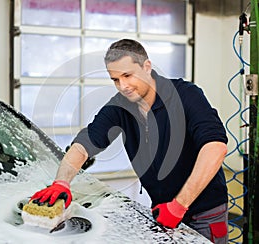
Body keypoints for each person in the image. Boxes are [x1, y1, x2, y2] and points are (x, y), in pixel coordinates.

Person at [31, 39, 229, 243]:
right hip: (161, 212)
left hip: (203, 213)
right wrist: (61, 182)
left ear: (147, 67)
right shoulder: (120, 106)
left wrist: (180, 205)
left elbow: (215, 147)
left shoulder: (186, 95)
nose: (122, 86)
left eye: (127, 75)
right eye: (115, 79)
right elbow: (84, 145)